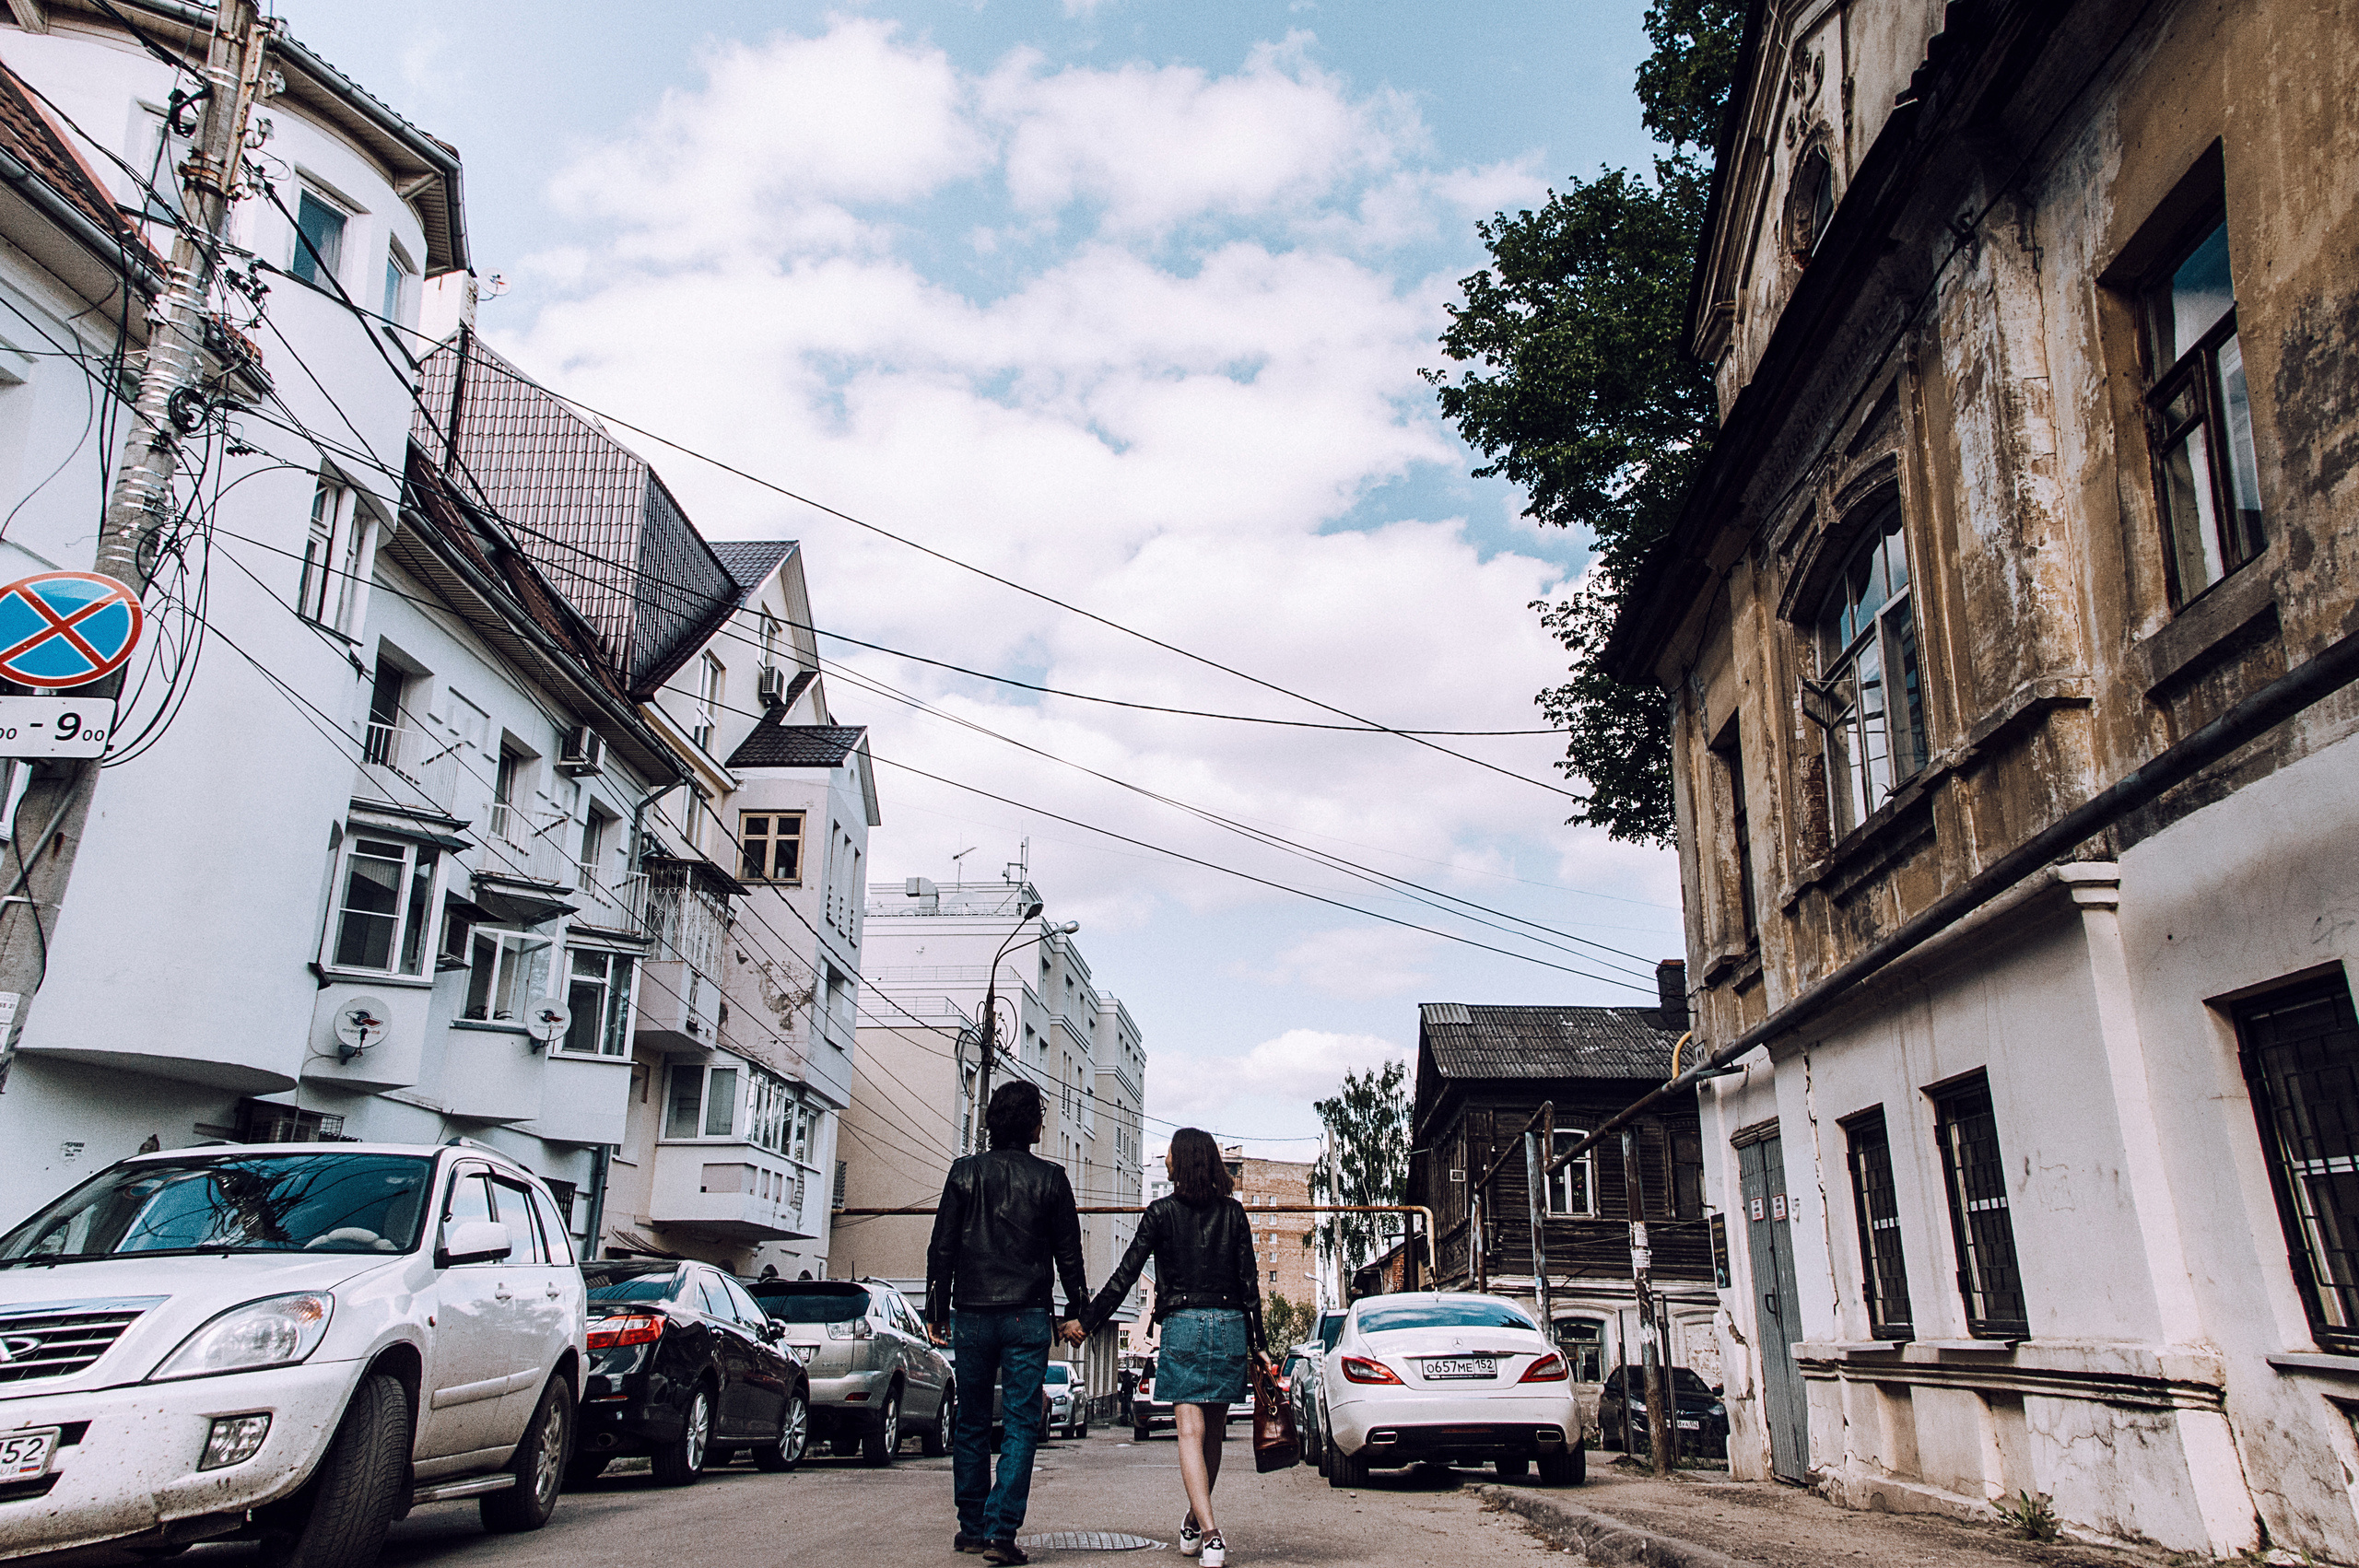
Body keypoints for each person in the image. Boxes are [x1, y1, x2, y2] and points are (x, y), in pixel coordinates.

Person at [1080, 1128, 1270, 1568]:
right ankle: (1196, 1522)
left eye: (1168, 1154)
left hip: (1183, 1326)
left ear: (1181, 1161)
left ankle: (1210, 1533)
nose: (1163, 1159)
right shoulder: (1234, 1213)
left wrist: (1088, 1321)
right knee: (1213, 1436)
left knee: (1190, 1434)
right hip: (1228, 1326)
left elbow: (1127, 1273)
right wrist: (1259, 1344)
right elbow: (1249, 1284)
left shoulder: (1160, 1213)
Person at [925, 1080, 1089, 1566]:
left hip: (971, 1313)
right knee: (1020, 1423)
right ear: (1031, 1125)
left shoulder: (963, 1174)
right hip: (1027, 1316)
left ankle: (971, 1528)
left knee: (972, 1421)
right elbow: (1069, 1256)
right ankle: (1001, 1533)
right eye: (1041, 1114)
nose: (1044, 1121)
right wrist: (1075, 1311)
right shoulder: (1051, 1180)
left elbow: (943, 1250)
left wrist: (936, 1313)